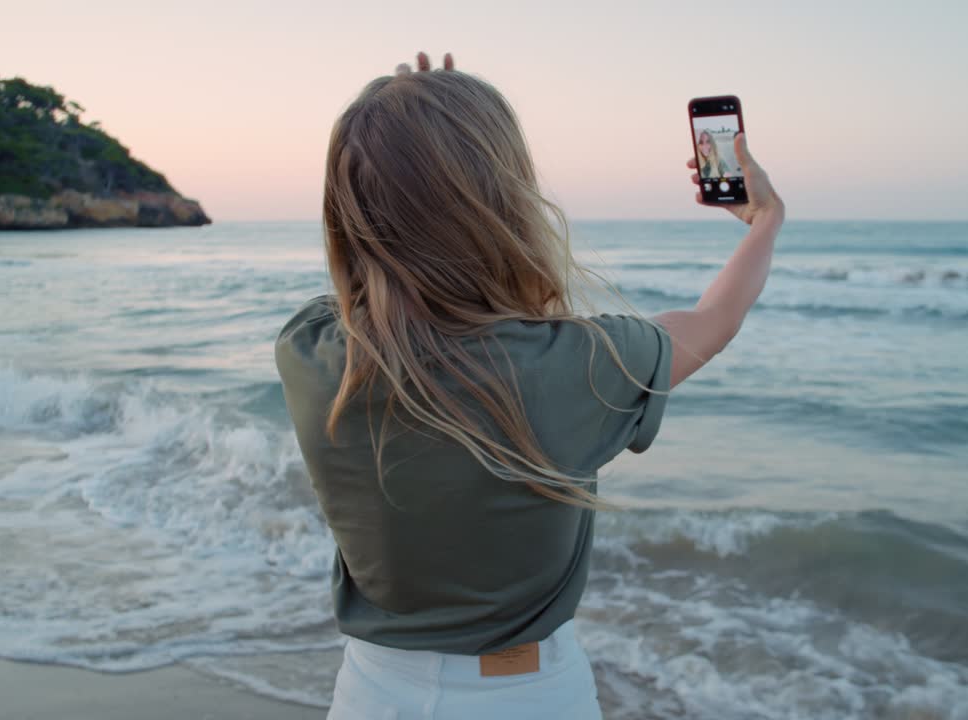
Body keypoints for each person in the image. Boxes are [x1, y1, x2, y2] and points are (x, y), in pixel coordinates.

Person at [274, 51, 784, 719]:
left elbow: (366, 287)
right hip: (528, 697)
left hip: (372, 694)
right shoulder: (578, 364)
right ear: (506, 200)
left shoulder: (310, 350)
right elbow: (716, 320)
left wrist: (401, 132)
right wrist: (766, 218)